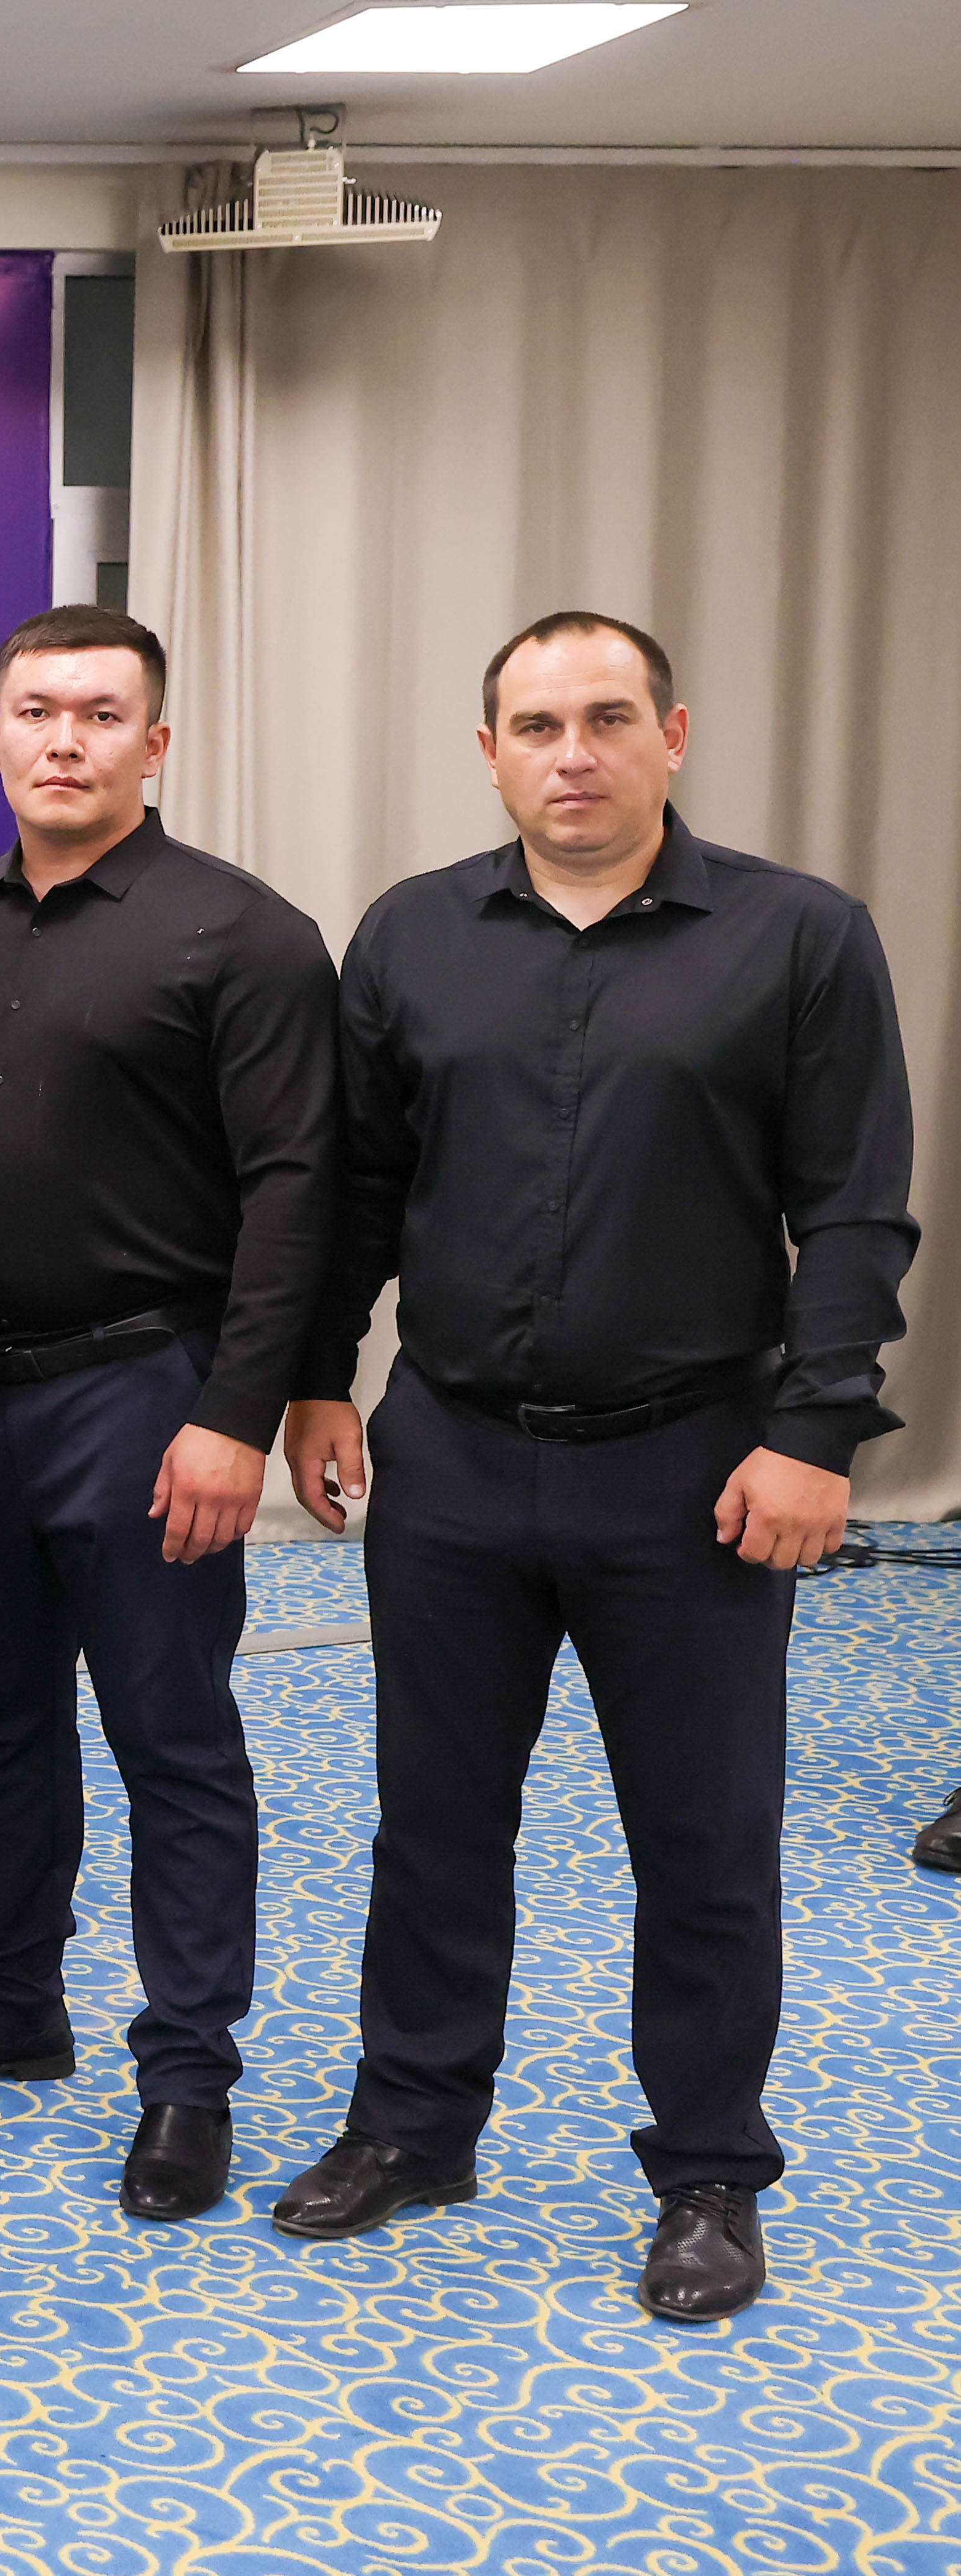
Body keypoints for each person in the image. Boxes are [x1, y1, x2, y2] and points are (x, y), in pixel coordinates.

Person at [270, 613, 917, 2322]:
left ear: (670, 735)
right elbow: (358, 1188)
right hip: (452, 1459)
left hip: (693, 1470)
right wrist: (321, 1380)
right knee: (433, 1823)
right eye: (537, 725)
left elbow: (854, 1209)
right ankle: (415, 2123)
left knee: (703, 1839)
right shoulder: (412, 934)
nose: (573, 753)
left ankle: (707, 2170)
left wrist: (815, 1434)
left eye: (606, 718)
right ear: (488, 752)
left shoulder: (797, 935)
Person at [0, 609, 341, 2225]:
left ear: (155, 742)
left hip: (148, 1393)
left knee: (170, 1736)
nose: (64, 739)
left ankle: (186, 2072)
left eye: (100, 713)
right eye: (36, 711)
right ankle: (11, 2000)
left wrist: (236, 1411)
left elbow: (296, 1194)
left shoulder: (243, 935)